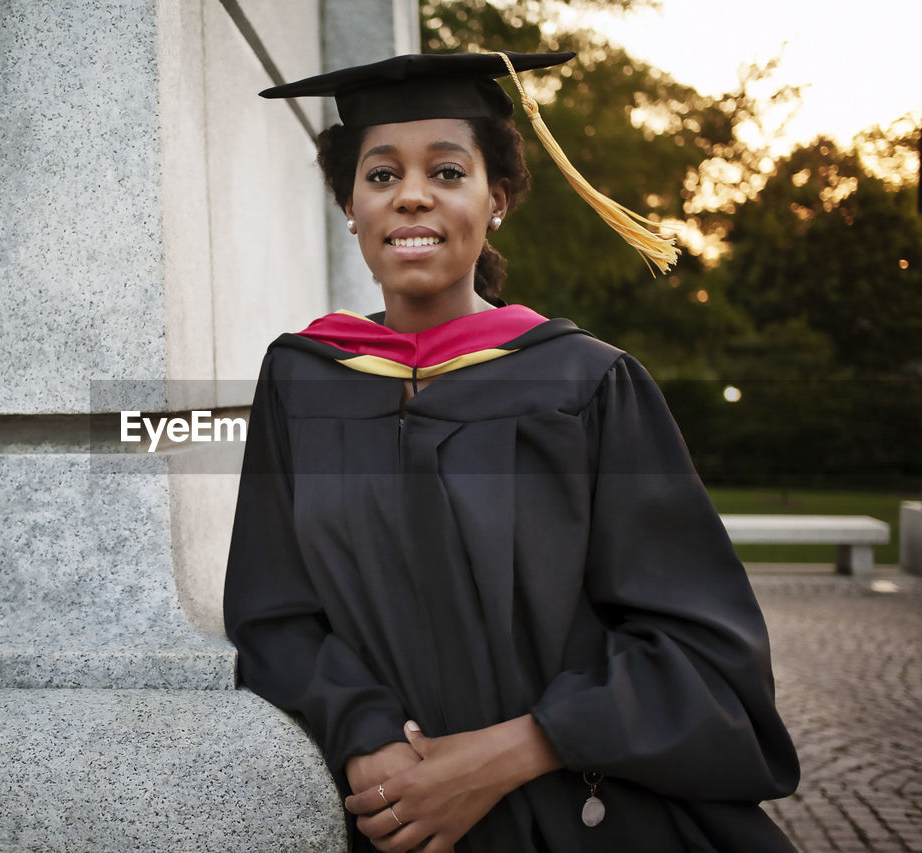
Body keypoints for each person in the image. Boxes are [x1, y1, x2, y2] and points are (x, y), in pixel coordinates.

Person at [222, 50, 799, 853]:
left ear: (496, 199)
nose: (411, 193)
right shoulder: (300, 378)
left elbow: (703, 650)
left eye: (447, 170)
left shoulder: (587, 384)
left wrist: (507, 753)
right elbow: (273, 611)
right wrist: (369, 737)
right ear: (350, 206)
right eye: (380, 175)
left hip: (586, 817)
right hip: (396, 822)